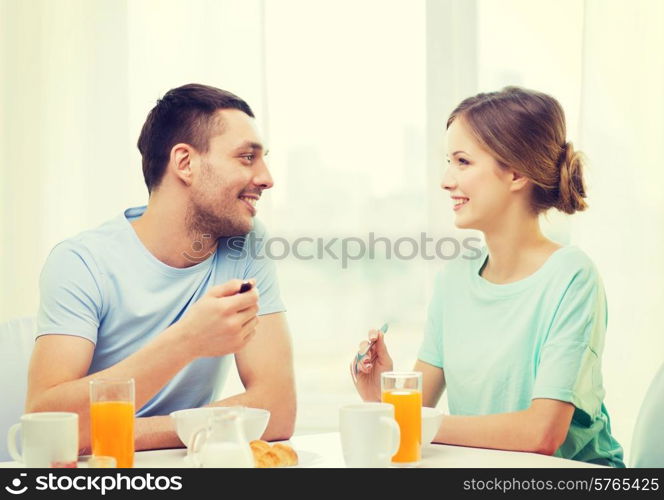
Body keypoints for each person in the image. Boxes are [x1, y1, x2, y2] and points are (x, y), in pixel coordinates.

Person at [353, 86, 624, 467]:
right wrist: (383, 397)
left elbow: (541, 433)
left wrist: (408, 418)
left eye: (462, 162)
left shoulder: (572, 277)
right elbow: (415, 416)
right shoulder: (454, 281)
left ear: (515, 172)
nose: (446, 180)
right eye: (449, 161)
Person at [26, 83, 296, 452]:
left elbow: (277, 410)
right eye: (247, 157)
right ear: (185, 163)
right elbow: (46, 430)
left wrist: (127, 431)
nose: (267, 178)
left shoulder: (244, 242)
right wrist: (188, 341)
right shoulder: (82, 262)